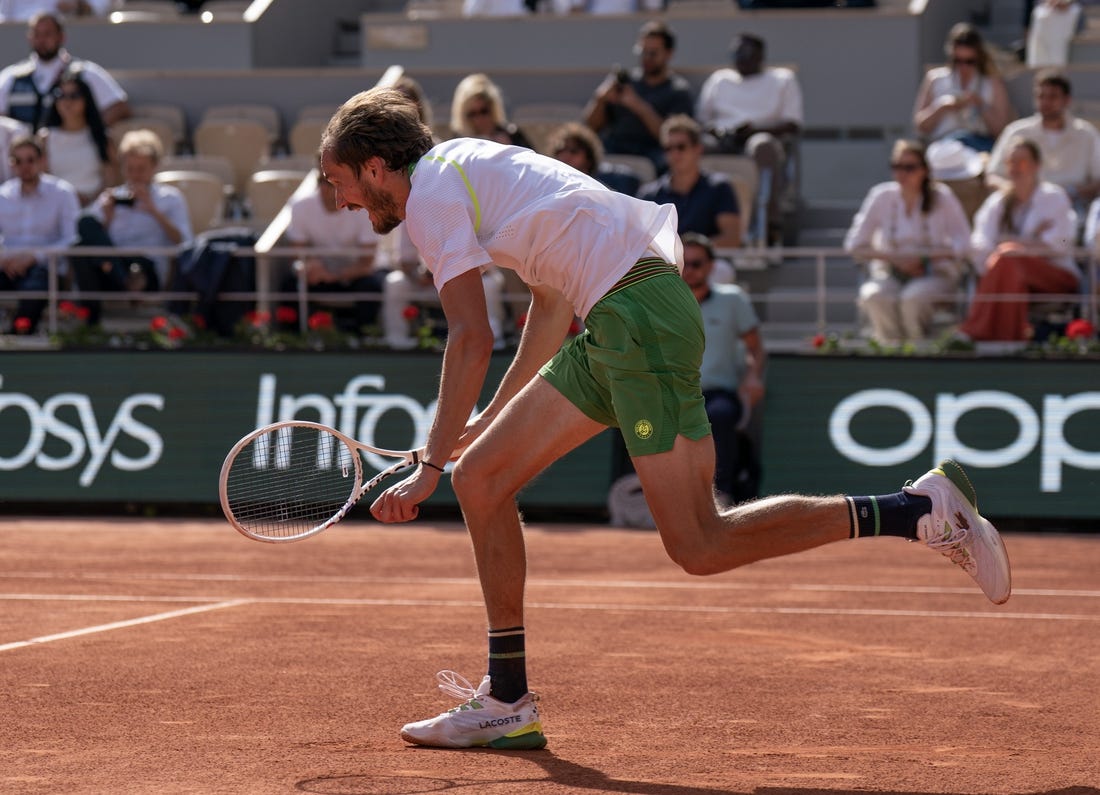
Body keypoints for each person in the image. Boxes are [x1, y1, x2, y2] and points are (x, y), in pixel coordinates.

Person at [319, 86, 1012, 751]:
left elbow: (470, 336)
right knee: (484, 477)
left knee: (700, 543)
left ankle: (915, 509)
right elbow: (551, 307)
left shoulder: (431, 195)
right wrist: (485, 422)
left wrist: (430, 465)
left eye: (339, 180)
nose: (340, 200)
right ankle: (507, 701)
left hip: (635, 316)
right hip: (627, 311)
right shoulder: (470, 166)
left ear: (377, 166)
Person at [844, 139, 972, 345]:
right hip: (889, 273)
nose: (901, 174)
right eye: (896, 167)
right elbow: (855, 244)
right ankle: (891, 350)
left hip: (936, 274)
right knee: (874, 295)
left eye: (909, 167)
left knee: (913, 298)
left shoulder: (942, 197)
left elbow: (965, 243)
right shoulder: (881, 196)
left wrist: (925, 258)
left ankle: (917, 350)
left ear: (924, 170)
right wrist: (895, 259)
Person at [957, 137, 1079, 343]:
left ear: (1036, 166)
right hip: (1010, 272)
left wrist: (1014, 247)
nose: (1014, 169)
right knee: (1008, 265)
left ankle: (979, 332)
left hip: (1057, 276)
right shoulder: (997, 203)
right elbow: (979, 244)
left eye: (1021, 162)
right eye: (1010, 163)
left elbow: (1063, 243)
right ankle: (1009, 340)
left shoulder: (1054, 197)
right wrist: (1030, 243)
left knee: (1007, 259)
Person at [71, 129, 192, 325]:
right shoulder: (110, 198)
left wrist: (153, 211)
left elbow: (184, 242)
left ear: (154, 167)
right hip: (113, 269)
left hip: (146, 270)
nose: (135, 176)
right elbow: (88, 233)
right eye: (130, 169)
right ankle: (120, 282)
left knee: (136, 266)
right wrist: (107, 219)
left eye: (141, 169)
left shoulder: (170, 199)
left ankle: (126, 278)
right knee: (84, 226)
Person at [679, 232, 764, 505]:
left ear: (711, 267)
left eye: (697, 263)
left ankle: (721, 495)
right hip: (671, 391)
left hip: (718, 393)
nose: (689, 270)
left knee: (719, 418)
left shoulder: (733, 300)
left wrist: (752, 377)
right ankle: (651, 495)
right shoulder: (660, 302)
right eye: (684, 263)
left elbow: (756, 348)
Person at [695, 32, 802, 242]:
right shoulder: (719, 80)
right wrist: (717, 132)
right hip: (722, 140)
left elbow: (792, 124)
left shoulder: (782, 79)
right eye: (736, 53)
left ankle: (770, 222)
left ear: (761, 56)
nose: (740, 58)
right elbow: (701, 121)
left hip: (760, 139)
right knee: (693, 146)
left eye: (746, 53)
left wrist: (753, 131)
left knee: (762, 145)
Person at [276, 159, 386, 334]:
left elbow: (367, 263)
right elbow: (297, 253)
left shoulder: (365, 205)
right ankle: (294, 339)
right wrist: (310, 267)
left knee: (371, 287)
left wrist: (334, 276)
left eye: (336, 182)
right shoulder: (300, 205)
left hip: (357, 275)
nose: (329, 188)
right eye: (325, 181)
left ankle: (365, 337)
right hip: (323, 275)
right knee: (290, 286)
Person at [583, 20, 694, 174]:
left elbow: (674, 139)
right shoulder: (624, 83)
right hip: (615, 149)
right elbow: (590, 127)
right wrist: (601, 98)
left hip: (651, 154)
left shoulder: (678, 91)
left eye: (653, 53)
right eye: (643, 52)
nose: (646, 58)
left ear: (669, 54)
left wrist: (639, 106)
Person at [985, 70, 1100, 213]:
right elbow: (992, 176)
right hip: (1022, 211)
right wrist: (1018, 193)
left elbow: (1098, 181)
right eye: (1041, 96)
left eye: (1052, 97)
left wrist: (1072, 193)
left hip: (1072, 210)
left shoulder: (1087, 135)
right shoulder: (1017, 132)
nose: (1045, 102)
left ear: (1066, 100)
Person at [0, 134, 80, 333]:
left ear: (42, 161)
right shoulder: (3, 195)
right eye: (18, 161)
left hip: (46, 269)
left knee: (35, 289)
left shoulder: (62, 193)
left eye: (30, 160)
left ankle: (16, 338)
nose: (24, 166)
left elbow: (72, 239)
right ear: (11, 164)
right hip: (7, 267)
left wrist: (34, 257)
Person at [0, 12, 130, 130]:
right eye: (36, 34)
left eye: (47, 34)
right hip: (24, 155)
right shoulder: (11, 76)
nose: (41, 40)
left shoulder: (84, 73)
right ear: (29, 37)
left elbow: (119, 108)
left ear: (61, 37)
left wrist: (84, 135)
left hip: (69, 153)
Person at [637, 114, 742, 250]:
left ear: (698, 149)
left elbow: (731, 238)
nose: (674, 154)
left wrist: (689, 255)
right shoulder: (649, 195)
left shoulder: (720, 188)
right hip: (665, 268)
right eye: (668, 148)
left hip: (707, 268)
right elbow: (639, 241)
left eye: (681, 147)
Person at [912, 22, 1014, 154]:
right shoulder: (935, 79)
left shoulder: (993, 83)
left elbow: (1001, 131)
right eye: (958, 61)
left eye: (969, 61)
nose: (963, 67)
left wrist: (980, 105)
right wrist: (942, 106)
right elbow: (920, 126)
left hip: (979, 148)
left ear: (978, 57)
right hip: (941, 149)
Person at [37, 67, 116, 207]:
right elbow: (42, 181)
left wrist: (91, 201)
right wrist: (69, 198)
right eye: (60, 95)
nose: (67, 102)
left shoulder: (103, 137)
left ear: (86, 99)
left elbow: (110, 181)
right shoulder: (45, 138)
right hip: (56, 208)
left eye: (74, 95)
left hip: (96, 209)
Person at [547, 121, 640, 196]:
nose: (565, 155)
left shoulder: (607, 186)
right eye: (560, 151)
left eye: (573, 151)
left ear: (588, 157)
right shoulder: (550, 187)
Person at [448, 73, 532, 149]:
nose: (479, 119)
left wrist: (509, 150)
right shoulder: (457, 144)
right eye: (472, 114)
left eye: (484, 111)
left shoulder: (512, 135)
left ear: (493, 109)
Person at [1027, 0, 1082, 68]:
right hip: (1041, 47)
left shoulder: (1074, 10)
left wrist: (1064, 4)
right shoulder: (1040, 11)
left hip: (1059, 47)